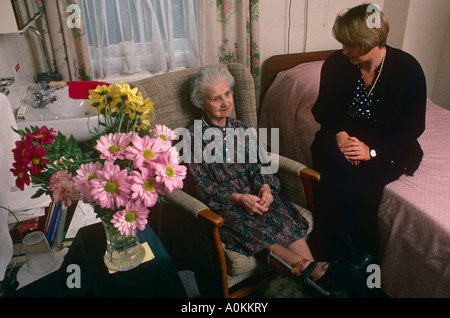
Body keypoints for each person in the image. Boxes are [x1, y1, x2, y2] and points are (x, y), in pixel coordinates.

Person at [186, 66, 372, 297]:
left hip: (255, 192)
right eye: (216, 98)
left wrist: (265, 186)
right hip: (227, 205)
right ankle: (322, 275)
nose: (225, 102)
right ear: (202, 104)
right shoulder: (193, 138)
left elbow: (261, 165)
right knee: (256, 229)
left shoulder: (241, 128)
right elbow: (202, 186)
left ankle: (319, 282)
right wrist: (240, 198)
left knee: (281, 215)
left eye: (227, 94)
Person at [310, 4, 426, 267]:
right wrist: (340, 135)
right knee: (332, 163)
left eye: (350, 44)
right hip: (342, 134)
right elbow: (325, 109)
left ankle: (351, 254)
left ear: (369, 40)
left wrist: (370, 151)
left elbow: (411, 128)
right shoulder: (336, 64)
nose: (344, 50)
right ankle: (352, 258)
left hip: (390, 143)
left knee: (361, 179)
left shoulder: (407, 69)